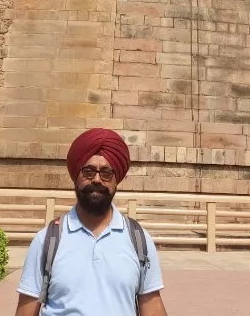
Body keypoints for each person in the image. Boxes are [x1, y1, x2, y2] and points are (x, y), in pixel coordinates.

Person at [15, 128, 167, 316]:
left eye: (106, 173)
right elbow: (25, 311)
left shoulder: (138, 239)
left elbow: (152, 308)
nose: (96, 179)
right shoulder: (47, 240)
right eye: (88, 171)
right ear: (75, 176)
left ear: (116, 179)